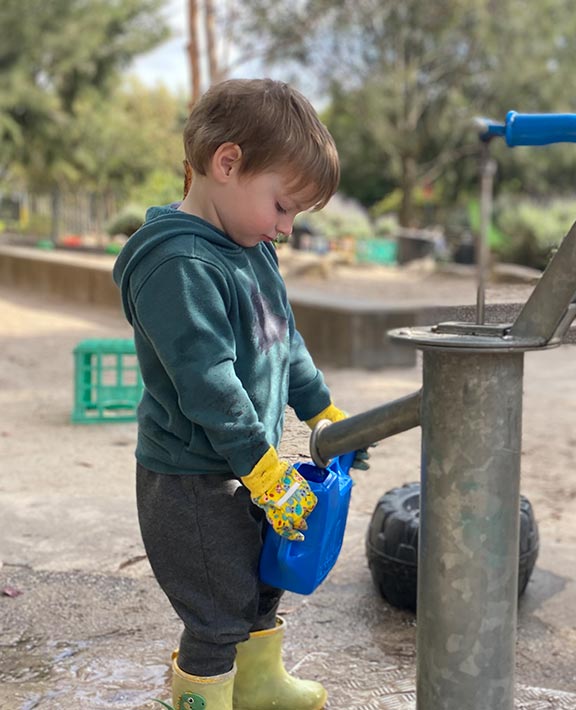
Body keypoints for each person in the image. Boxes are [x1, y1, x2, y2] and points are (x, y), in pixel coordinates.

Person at [113, 78, 364, 710]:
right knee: (216, 609)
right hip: (195, 479)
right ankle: (201, 698)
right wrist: (261, 468)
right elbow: (208, 384)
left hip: (248, 462)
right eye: (282, 206)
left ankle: (257, 685)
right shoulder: (178, 265)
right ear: (227, 164)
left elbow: (284, 339)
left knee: (259, 580)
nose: (285, 228)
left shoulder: (249, 248)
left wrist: (319, 408)